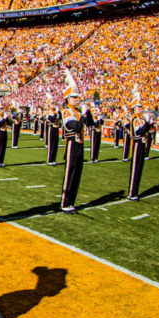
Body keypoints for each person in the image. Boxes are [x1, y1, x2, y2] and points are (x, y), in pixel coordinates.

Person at [59, 69, 87, 214]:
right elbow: (75, 126)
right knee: (70, 173)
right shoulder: (67, 112)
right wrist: (83, 116)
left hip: (80, 144)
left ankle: (72, 202)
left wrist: (88, 113)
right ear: (69, 98)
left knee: (77, 174)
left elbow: (91, 124)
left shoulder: (77, 112)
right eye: (75, 97)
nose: (77, 100)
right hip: (71, 144)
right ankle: (65, 203)